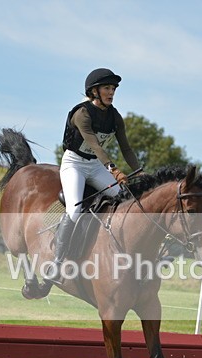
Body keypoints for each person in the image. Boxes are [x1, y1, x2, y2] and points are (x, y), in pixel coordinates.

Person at [48, 67, 141, 282]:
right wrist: (114, 169)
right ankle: (57, 263)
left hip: (96, 166)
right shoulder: (82, 114)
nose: (111, 92)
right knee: (74, 210)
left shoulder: (115, 117)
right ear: (94, 91)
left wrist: (141, 171)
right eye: (107, 88)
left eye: (113, 89)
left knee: (126, 201)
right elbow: (96, 146)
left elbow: (126, 148)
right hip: (74, 164)